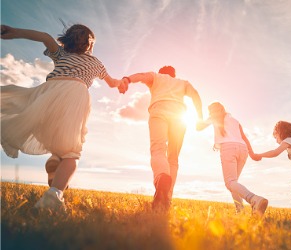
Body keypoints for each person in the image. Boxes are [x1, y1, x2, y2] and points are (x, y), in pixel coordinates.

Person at [1, 24, 127, 211]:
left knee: (51, 134)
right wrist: (121, 84)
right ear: (90, 45)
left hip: (49, 93)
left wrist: (15, 32)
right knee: (71, 153)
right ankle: (53, 196)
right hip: (75, 94)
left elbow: (44, 36)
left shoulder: (61, 54)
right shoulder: (97, 63)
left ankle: (55, 159)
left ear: (67, 39)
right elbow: (112, 82)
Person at [122, 66, 203, 210]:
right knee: (173, 158)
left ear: (161, 73)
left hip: (159, 111)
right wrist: (200, 117)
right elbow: (195, 95)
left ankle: (161, 177)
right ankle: (167, 198)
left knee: (158, 150)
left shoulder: (156, 77)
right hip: (179, 116)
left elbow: (141, 75)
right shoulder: (182, 83)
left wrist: (127, 79)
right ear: (174, 75)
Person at [196, 102, 268, 215]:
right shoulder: (235, 120)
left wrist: (200, 114)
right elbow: (244, 138)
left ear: (213, 111)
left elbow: (198, 127)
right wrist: (252, 154)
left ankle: (254, 199)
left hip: (228, 149)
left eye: (210, 111)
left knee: (230, 183)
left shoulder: (213, 117)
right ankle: (240, 211)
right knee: (234, 184)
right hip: (243, 149)